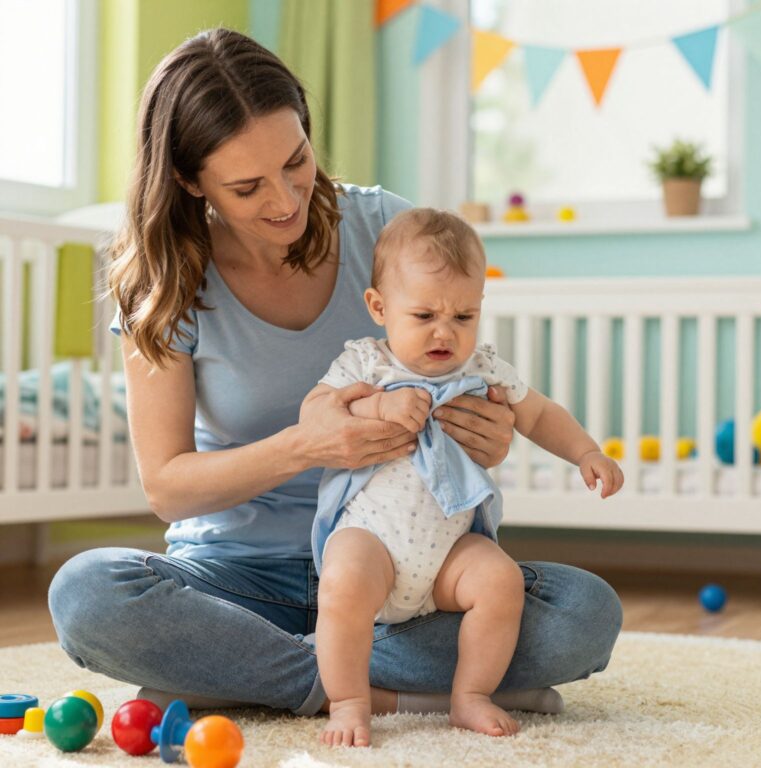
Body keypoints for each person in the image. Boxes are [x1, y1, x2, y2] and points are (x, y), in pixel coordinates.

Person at [46, 28, 622, 720]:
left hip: (407, 577)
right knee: (87, 595)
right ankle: (375, 688)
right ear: (189, 180)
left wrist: (487, 434)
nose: (286, 199)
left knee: (583, 613)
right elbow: (167, 487)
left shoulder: (388, 230)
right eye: (247, 187)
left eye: (296, 161)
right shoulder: (165, 281)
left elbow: (474, 380)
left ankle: (242, 673)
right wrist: (306, 446)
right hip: (237, 578)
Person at [310, 208, 624, 746]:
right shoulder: (366, 364)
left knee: (500, 580)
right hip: (373, 539)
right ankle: (349, 700)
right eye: (424, 315)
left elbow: (539, 414)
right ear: (379, 307)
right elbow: (314, 415)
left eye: (463, 316)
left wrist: (586, 452)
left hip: (449, 551)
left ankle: (470, 694)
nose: (445, 331)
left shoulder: (482, 369)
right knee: (343, 583)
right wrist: (376, 408)